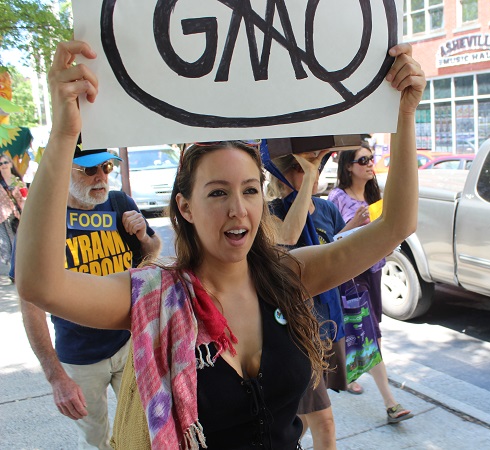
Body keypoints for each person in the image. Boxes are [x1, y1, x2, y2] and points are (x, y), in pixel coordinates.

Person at [16, 39, 424, 449]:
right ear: (185, 207)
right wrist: (64, 135)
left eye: (249, 191)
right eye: (216, 193)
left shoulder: (289, 275)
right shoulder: (156, 298)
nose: (238, 209)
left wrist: (405, 114)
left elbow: (397, 225)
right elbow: (41, 283)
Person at [18, 142, 162, 450]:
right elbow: (30, 304)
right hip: (80, 356)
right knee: (97, 442)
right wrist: (56, 377)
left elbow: (152, 256)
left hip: (128, 344)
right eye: (89, 170)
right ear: (62, 173)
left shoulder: (119, 202)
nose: (101, 177)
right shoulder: (44, 221)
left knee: (145, 432)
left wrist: (143, 237)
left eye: (106, 168)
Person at [266, 150, 361, 449]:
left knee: (302, 418)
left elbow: (331, 247)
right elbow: (288, 237)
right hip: (296, 330)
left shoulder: (326, 208)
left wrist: (355, 228)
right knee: (325, 422)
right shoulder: (272, 212)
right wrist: (306, 180)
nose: (314, 173)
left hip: (328, 322)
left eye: (317, 167)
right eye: (303, 168)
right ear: (282, 176)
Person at [328, 142, 414, 424]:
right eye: (362, 159)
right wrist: (353, 223)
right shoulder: (337, 198)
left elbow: (387, 234)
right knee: (370, 334)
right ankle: (390, 403)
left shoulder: (375, 196)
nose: (369, 163)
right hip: (351, 275)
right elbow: (328, 243)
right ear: (348, 167)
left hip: (374, 270)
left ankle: (350, 373)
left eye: (371, 158)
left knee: (365, 330)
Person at [0, 154, 25, 264]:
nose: (3, 165)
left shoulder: (17, 181)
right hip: (3, 218)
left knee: (19, 242)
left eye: (5, 162)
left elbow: (25, 196)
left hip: (18, 215)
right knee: (6, 244)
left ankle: (18, 267)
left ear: (10, 164)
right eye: (1, 163)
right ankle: (11, 268)